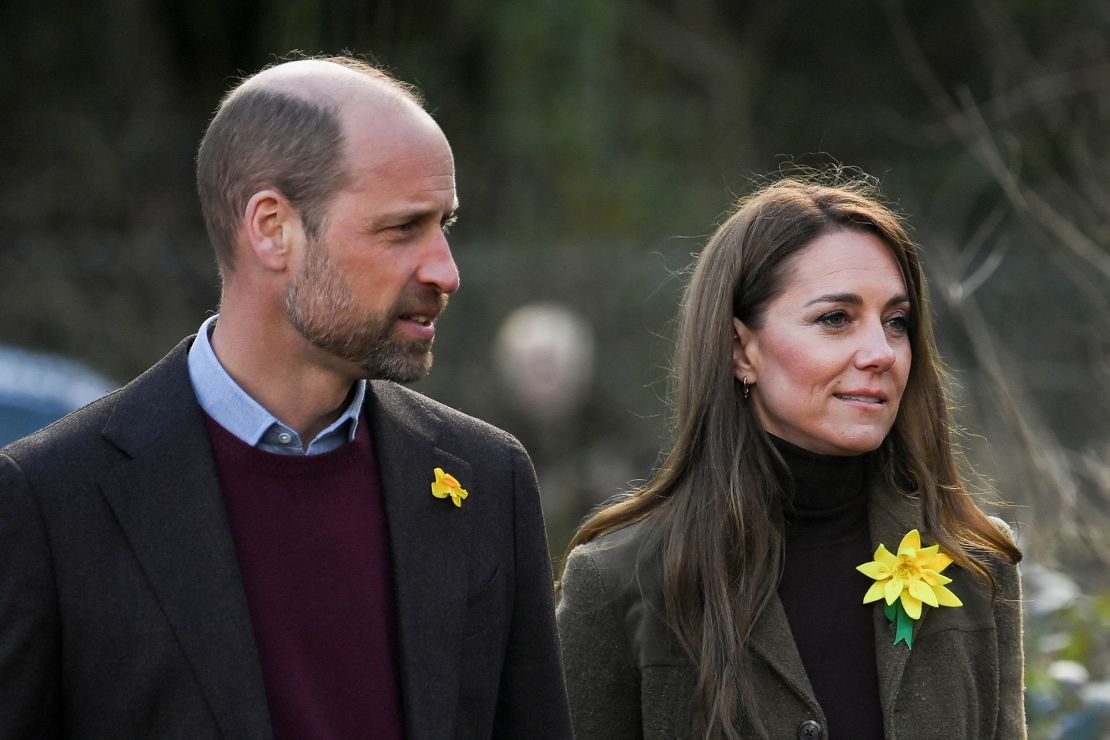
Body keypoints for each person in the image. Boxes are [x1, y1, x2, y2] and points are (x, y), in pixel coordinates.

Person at [0, 56, 571, 739]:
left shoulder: (487, 480)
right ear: (273, 229)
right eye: (401, 229)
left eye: (443, 225)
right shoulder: (52, 499)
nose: (445, 270)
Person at [557, 176, 1025, 739]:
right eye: (836, 318)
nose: (880, 352)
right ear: (739, 350)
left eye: (896, 322)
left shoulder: (974, 565)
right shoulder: (619, 583)